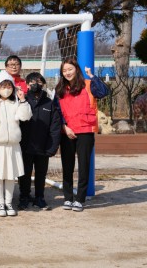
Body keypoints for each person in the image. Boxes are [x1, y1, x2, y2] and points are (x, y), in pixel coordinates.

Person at [54, 58, 109, 212]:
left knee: (84, 165)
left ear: (76, 69)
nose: (67, 73)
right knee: (67, 166)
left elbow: (104, 92)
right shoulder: (59, 89)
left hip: (85, 130)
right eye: (64, 70)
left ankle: (80, 199)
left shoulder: (88, 84)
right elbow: (57, 111)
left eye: (70, 69)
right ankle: (68, 198)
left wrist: (92, 76)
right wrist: (65, 127)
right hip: (67, 132)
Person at [0, 71, 32, 217]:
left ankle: (9, 202)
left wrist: (23, 100)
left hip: (13, 146)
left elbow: (25, 116)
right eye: (3, 85)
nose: (6, 88)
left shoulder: (16, 103)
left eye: (9, 85)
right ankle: (0, 203)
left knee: (11, 176)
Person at [18, 72, 61, 211]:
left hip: (43, 147)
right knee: (24, 173)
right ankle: (24, 197)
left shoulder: (49, 103)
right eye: (32, 82)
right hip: (25, 146)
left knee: (41, 174)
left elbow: (55, 127)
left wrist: (53, 146)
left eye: (39, 81)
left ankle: (39, 197)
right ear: (27, 84)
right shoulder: (22, 101)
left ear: (43, 84)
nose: (35, 84)